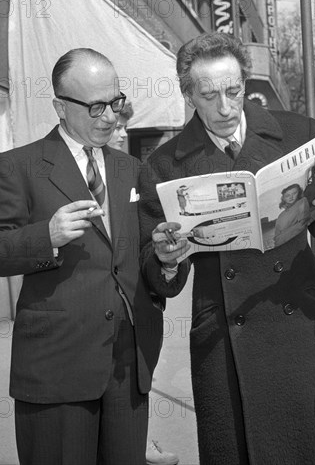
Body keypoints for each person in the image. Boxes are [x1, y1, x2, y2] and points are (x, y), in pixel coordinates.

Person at [138, 32, 315, 465]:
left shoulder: (300, 134)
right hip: (226, 338)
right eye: (208, 96)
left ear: (246, 83)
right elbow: (156, 270)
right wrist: (166, 259)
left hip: (300, 323)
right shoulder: (163, 166)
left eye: (234, 91)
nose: (225, 108)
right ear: (189, 95)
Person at [0, 48, 179, 465]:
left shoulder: (132, 170)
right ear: (60, 107)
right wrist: (44, 236)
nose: (109, 117)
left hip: (128, 365)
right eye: (96, 106)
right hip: (56, 367)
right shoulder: (18, 167)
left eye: (115, 103)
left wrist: (168, 259)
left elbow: (144, 258)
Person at [106, 95, 181, 465]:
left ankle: (141, 440)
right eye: (118, 126)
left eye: (124, 126)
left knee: (133, 385)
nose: (121, 133)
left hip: (136, 311)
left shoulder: (136, 172)